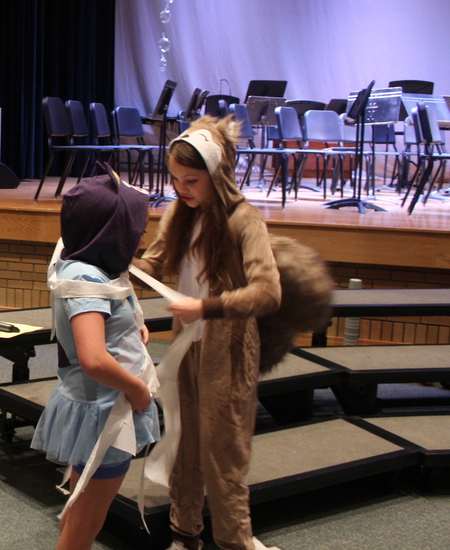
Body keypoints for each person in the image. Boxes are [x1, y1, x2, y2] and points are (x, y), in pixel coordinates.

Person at [132, 117, 281, 550]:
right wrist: (110, 262)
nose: (181, 188)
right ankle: (185, 534)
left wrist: (207, 306)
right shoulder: (179, 213)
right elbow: (153, 264)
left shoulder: (243, 219)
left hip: (228, 350)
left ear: (216, 175)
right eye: (175, 179)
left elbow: (268, 291)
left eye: (191, 180)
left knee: (223, 454)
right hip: (186, 347)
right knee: (181, 443)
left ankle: (236, 542)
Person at [31, 168, 159, 550]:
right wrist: (137, 390)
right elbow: (93, 358)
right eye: (136, 229)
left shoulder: (83, 260)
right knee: (86, 522)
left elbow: (107, 317)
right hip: (105, 410)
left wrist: (130, 328)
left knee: (81, 506)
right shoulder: (86, 279)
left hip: (99, 406)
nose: (142, 236)